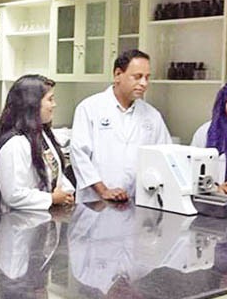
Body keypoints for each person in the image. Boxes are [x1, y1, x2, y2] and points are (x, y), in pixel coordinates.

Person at [70, 49, 171, 203]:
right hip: (95, 203)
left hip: (136, 202)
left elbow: (165, 156)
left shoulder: (152, 115)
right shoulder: (90, 108)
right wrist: (103, 190)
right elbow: (79, 156)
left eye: (147, 77)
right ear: (118, 75)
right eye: (137, 77)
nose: (144, 83)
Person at [0, 74, 74, 213]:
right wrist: (51, 199)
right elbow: (13, 194)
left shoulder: (43, 135)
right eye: (50, 99)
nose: (54, 104)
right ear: (32, 103)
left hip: (43, 220)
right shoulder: (14, 144)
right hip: (19, 225)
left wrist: (65, 193)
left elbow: (55, 174)